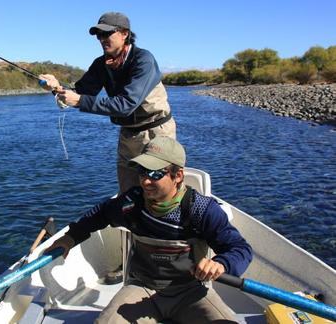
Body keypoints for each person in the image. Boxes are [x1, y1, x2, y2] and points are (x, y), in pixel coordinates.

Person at [46, 137, 252, 323]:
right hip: (142, 287)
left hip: (190, 291)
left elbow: (240, 249)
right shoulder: (131, 203)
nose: (145, 181)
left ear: (178, 175)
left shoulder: (202, 209)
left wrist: (221, 264)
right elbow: (99, 215)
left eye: (154, 173)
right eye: (142, 171)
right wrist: (69, 238)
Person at [39, 12, 176, 193]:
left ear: (125, 33)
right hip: (128, 135)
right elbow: (79, 92)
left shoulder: (143, 60)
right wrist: (56, 88)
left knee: (159, 192)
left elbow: (125, 105)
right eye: (99, 35)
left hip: (156, 133)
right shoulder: (101, 64)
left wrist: (79, 101)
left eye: (107, 33)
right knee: (128, 193)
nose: (102, 39)